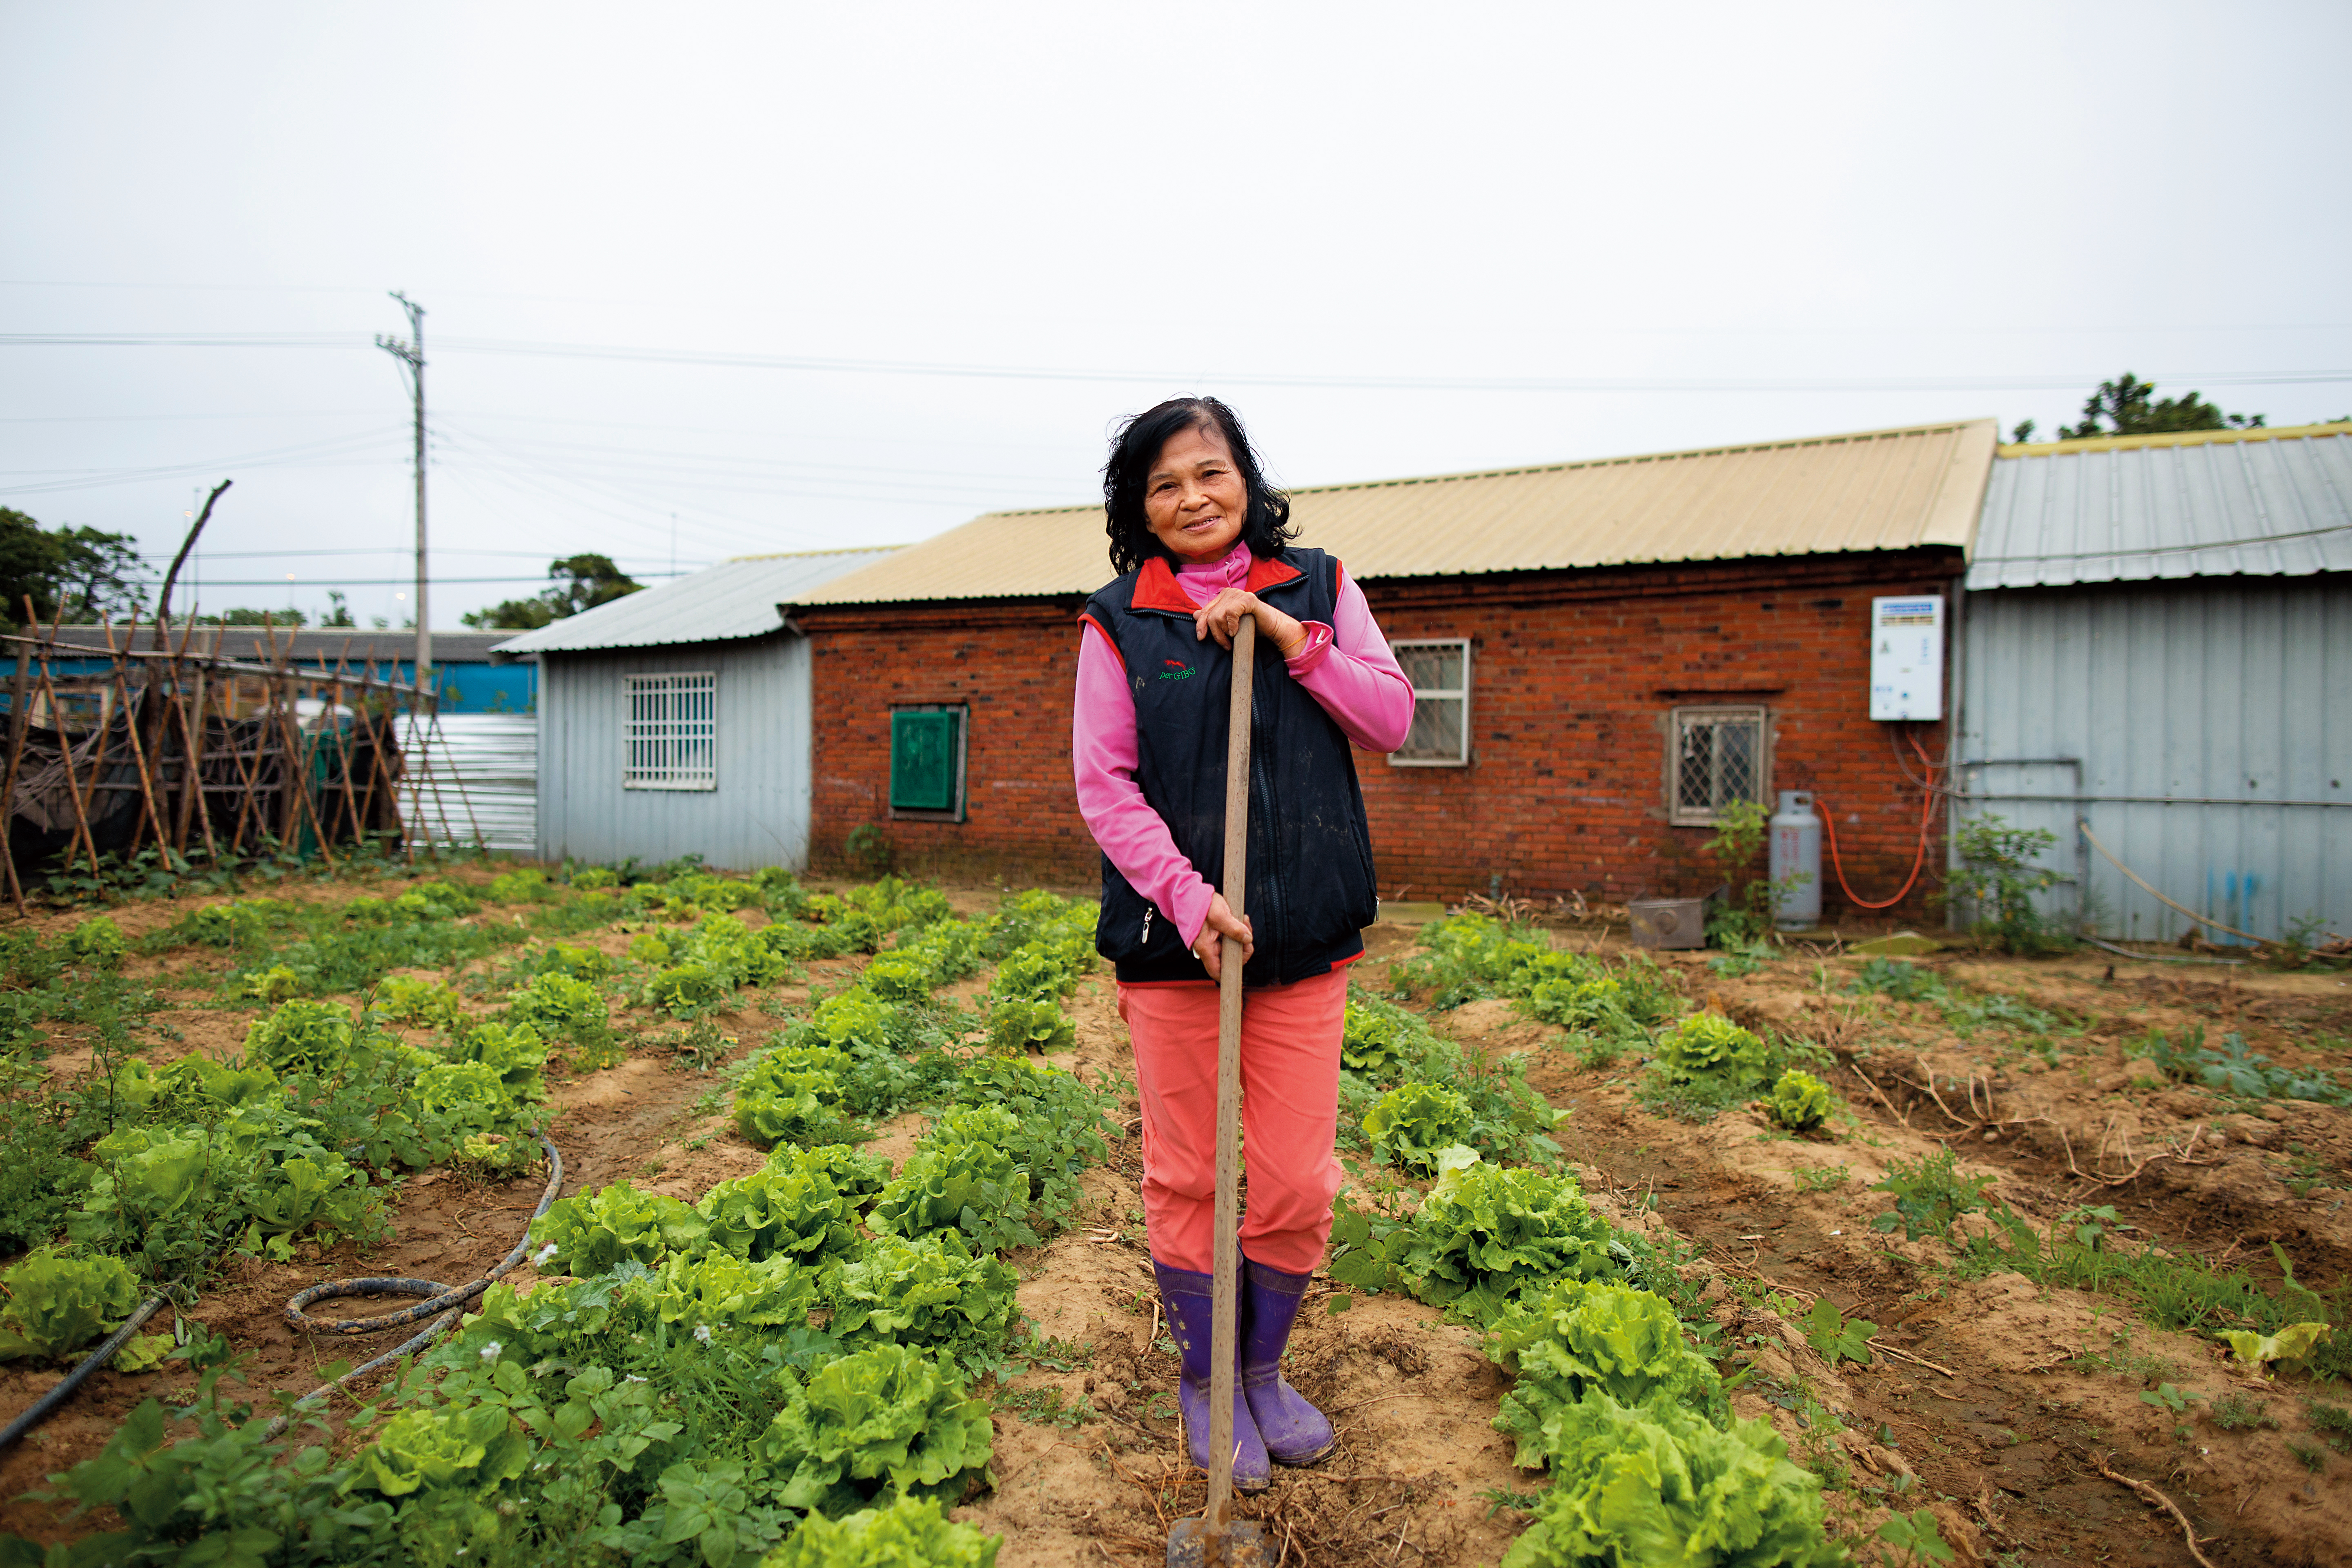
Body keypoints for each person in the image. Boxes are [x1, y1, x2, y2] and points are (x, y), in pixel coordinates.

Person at [1071, 397, 1414, 1490]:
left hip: (1301, 932)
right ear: (1140, 508)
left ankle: (1262, 1371)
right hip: (1178, 946)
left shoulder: (1317, 586)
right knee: (1187, 1177)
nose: (1192, 498)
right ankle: (1205, 1383)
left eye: (1209, 473)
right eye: (1164, 485)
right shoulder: (1121, 621)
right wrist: (1187, 897)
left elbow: (1392, 718)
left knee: (1297, 1183)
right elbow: (1105, 784)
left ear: (1245, 478)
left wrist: (1294, 643)